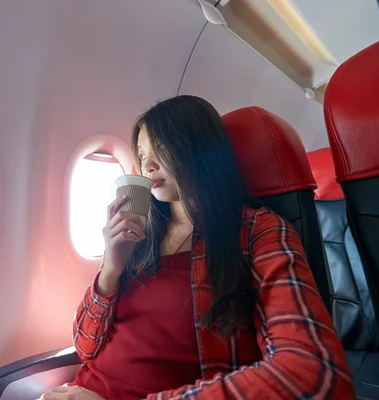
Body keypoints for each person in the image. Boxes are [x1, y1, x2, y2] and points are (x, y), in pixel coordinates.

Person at [42, 95, 354, 400]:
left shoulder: (259, 232)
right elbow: (85, 347)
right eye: (140, 153)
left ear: (199, 149)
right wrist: (110, 269)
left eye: (161, 148)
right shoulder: (139, 235)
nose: (146, 165)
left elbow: (314, 374)